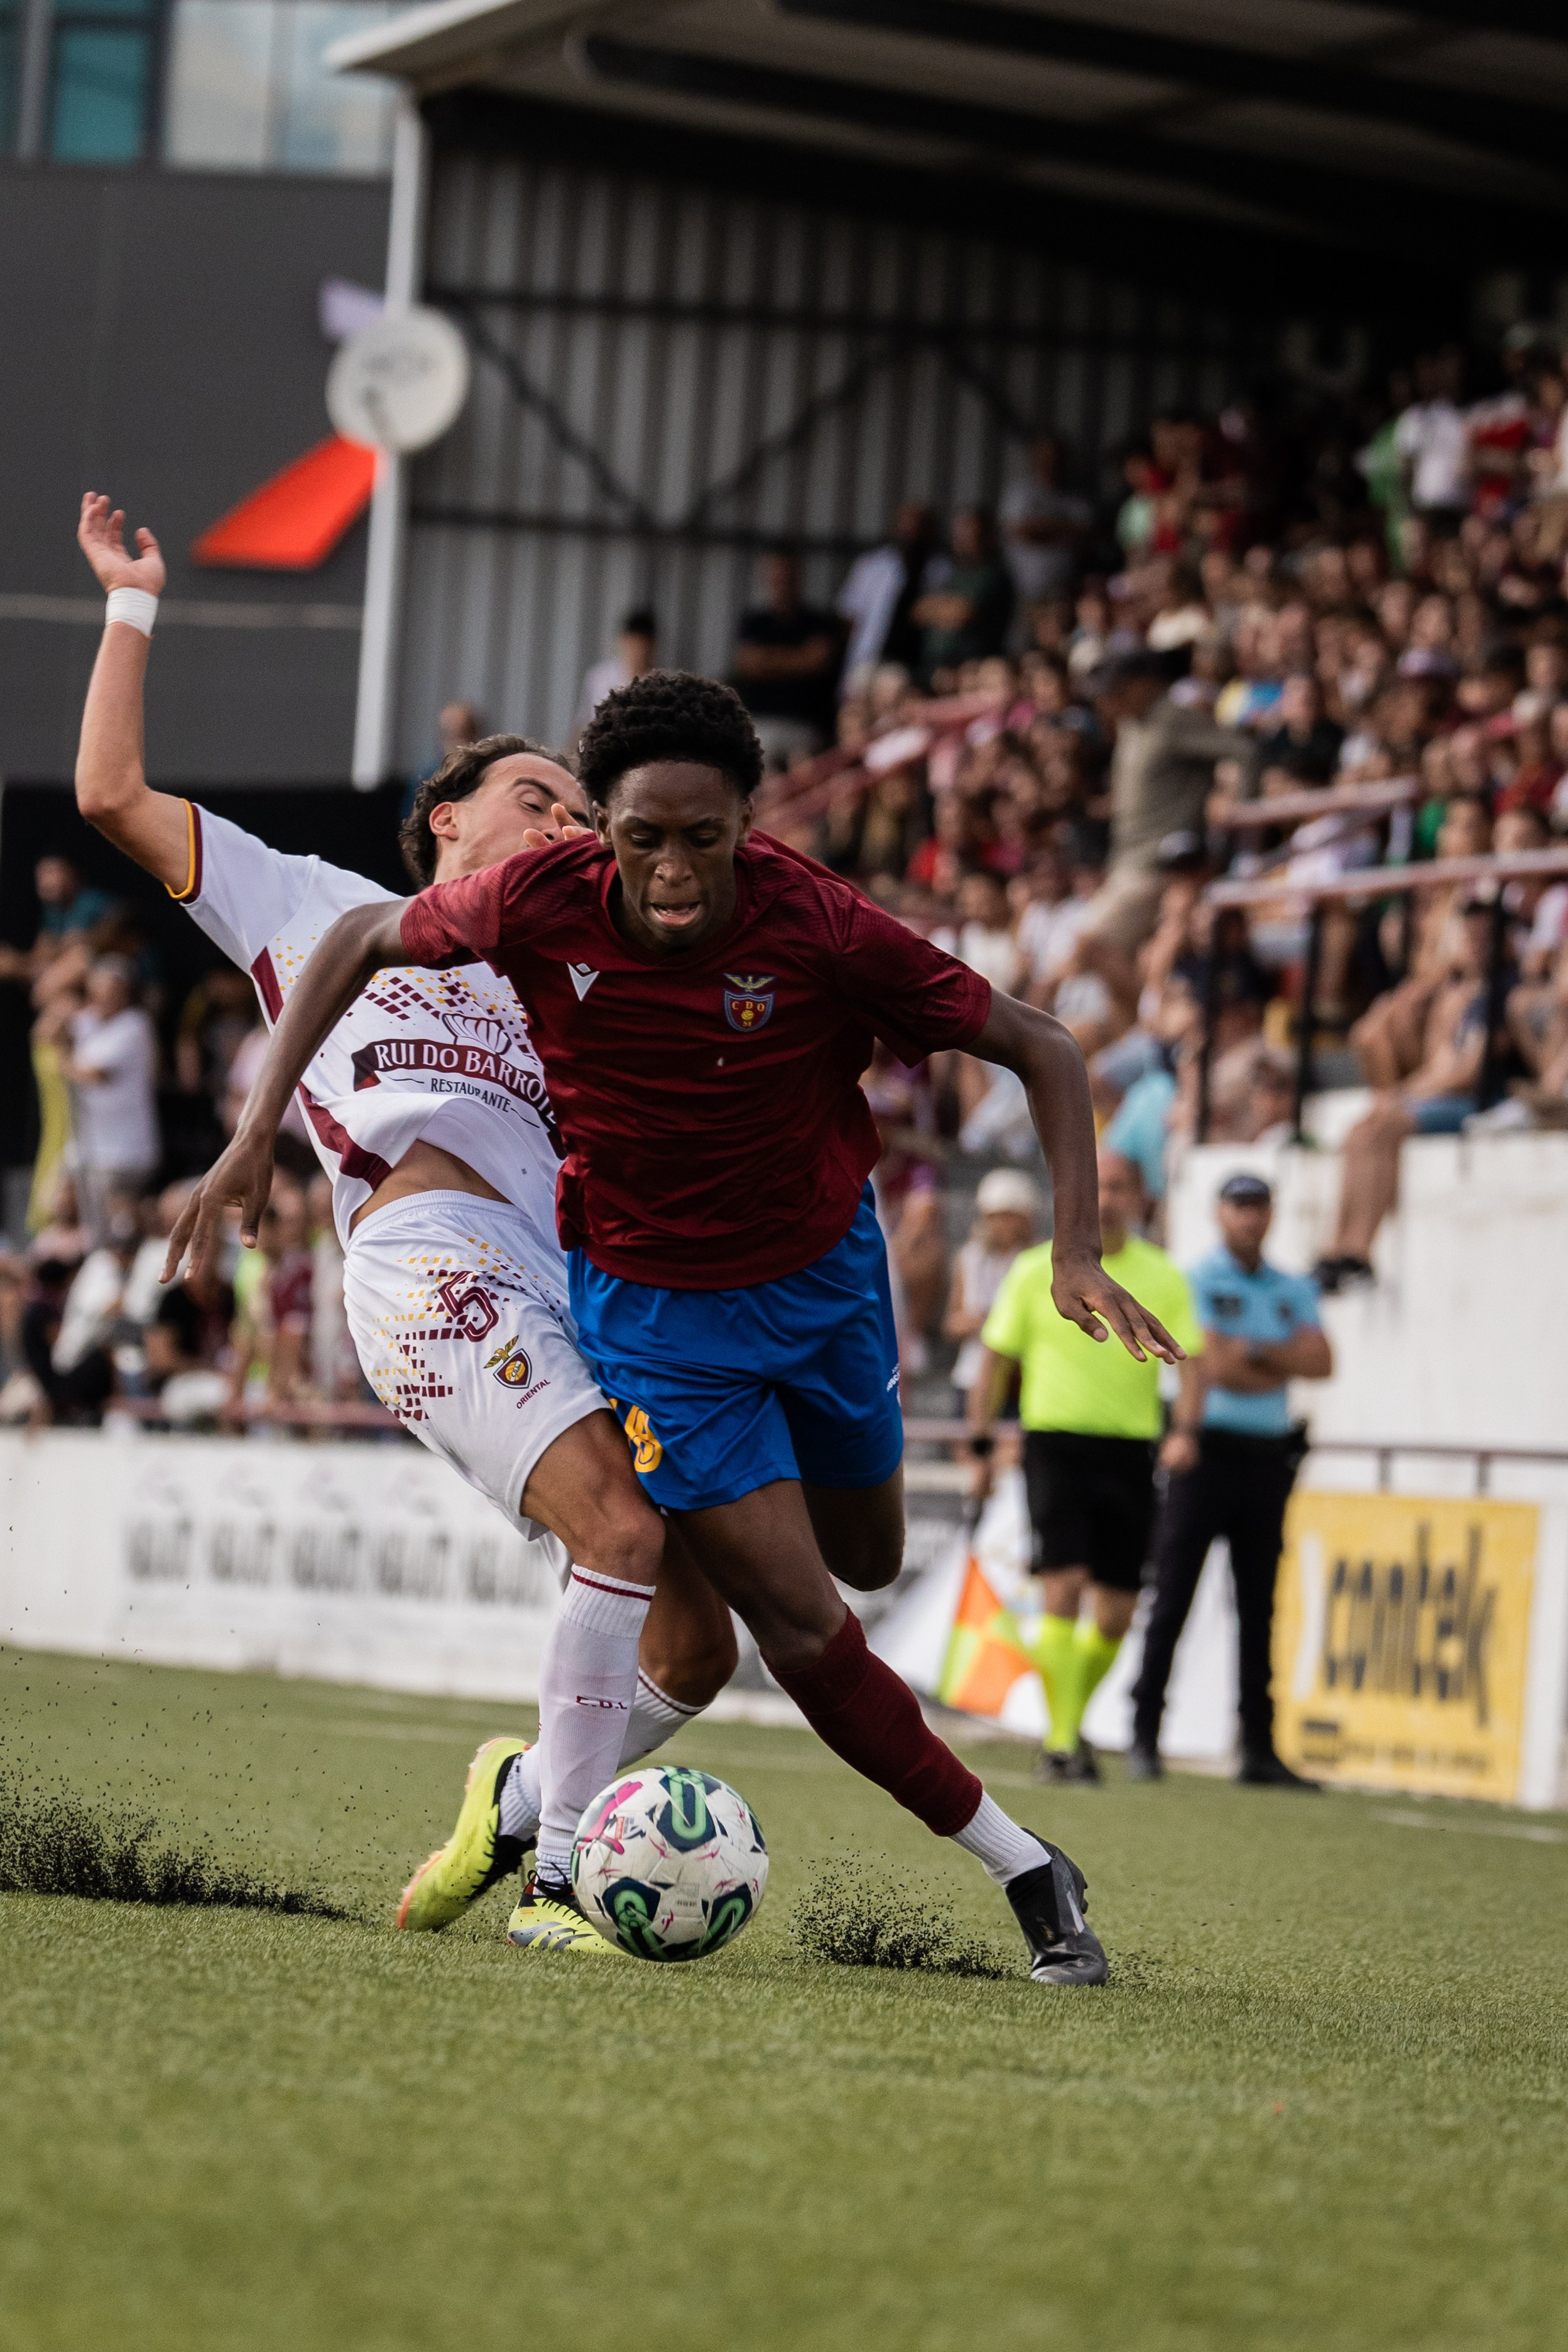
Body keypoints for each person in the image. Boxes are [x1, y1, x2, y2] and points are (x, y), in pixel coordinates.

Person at [175, 669, 1190, 1988]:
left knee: (872, 1557)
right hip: (658, 1329)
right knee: (804, 1623)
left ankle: (534, 1796)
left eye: (701, 840)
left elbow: (1043, 1043)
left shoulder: (819, 922)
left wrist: (1075, 1250)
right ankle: (1030, 1871)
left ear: (746, 826)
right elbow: (364, 934)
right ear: (602, 828)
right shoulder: (537, 901)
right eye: (640, 837)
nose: (668, 872)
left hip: (826, 1284)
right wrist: (256, 1132)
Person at [73, 491, 738, 1958]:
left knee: (699, 1639)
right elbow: (112, 795)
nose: (567, 826)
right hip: (426, 1265)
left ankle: (515, 1804)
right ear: (447, 818)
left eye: (580, 814)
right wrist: (133, 603)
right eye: (539, 801)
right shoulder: (312, 900)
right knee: (617, 1532)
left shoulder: (575, 974)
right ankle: (559, 1879)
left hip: (571, 1293)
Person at [967, 1149, 1204, 1782]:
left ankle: (1065, 1723)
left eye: (1122, 1187)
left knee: (1117, 1614)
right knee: (1063, 1587)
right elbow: (995, 1361)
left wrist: (1185, 1429)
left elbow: (1193, 1361)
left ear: (1140, 1197)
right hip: (1054, 1443)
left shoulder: (1163, 1275)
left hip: (1130, 1448)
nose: (1109, 1199)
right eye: (1100, 1187)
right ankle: (1065, 1741)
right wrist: (982, 1443)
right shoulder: (1030, 1271)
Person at [1130, 1172, 1332, 1785]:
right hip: (1205, 1452)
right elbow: (1211, 1364)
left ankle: (1259, 1748)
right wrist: (1276, 1356)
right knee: (1174, 1598)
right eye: (1240, 1207)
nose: (1251, 1218)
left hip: (1268, 1457)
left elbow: (1322, 1361)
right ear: (1220, 1214)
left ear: (1272, 1215)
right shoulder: (1197, 1280)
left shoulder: (1292, 1284)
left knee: (1259, 1606)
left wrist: (1254, 1355)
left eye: (1260, 1207)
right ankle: (1144, 1733)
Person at [1083, 649, 1255, 951]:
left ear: (1143, 683)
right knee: (1125, 961)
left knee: (1086, 947)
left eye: (1116, 690)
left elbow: (1243, 752)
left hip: (1156, 864)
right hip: (1125, 859)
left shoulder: (1173, 718)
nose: (1107, 701)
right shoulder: (1129, 725)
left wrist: (1237, 806)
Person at [63, 954, 160, 1219]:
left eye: (110, 992)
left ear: (125, 992)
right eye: (96, 993)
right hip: (91, 1147)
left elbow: (94, 1074)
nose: (103, 1000)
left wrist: (62, 1062)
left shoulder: (135, 1025)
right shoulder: (86, 1021)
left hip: (126, 1152)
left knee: (121, 1227)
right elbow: (46, 1033)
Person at [943, 1169, 1038, 1418]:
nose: (1001, 1225)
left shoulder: (1037, 1262)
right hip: (972, 1375)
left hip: (1019, 1379)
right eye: (996, 1217)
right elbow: (952, 1323)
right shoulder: (969, 1259)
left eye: (1009, 1217)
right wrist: (981, 1322)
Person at [732, 552, 841, 767]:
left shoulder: (819, 622)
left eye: (787, 578)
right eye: (776, 578)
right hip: (762, 722)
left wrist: (769, 660)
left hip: (805, 726)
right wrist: (800, 658)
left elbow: (819, 661)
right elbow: (748, 662)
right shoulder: (755, 622)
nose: (782, 584)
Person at [835, 502, 939, 687]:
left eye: (919, 527)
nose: (912, 533)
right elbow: (848, 616)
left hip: (914, 664)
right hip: (868, 658)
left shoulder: (941, 571)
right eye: (907, 526)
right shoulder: (872, 566)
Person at [913, 507, 1014, 681]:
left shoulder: (994, 575)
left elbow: (964, 613)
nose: (962, 537)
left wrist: (939, 609)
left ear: (986, 535)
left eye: (969, 530)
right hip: (932, 666)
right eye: (959, 531)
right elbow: (917, 611)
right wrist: (947, 609)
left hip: (969, 671)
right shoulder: (947, 571)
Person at [999, 435, 1092, 618]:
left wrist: (1040, 528)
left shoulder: (1076, 496)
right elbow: (1019, 530)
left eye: (1055, 457)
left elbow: (1086, 533)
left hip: (1069, 593)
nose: (1050, 462)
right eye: (1044, 456)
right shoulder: (1021, 493)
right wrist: (1063, 528)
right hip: (1028, 594)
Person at [575, 607, 658, 735]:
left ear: (652, 646)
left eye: (642, 647)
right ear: (624, 641)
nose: (637, 653)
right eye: (632, 645)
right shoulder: (600, 677)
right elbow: (584, 724)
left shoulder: (660, 684)